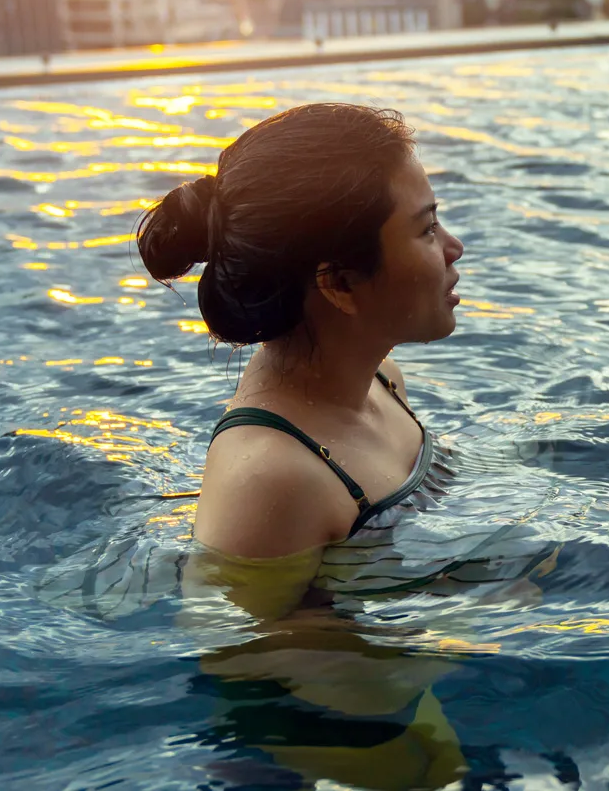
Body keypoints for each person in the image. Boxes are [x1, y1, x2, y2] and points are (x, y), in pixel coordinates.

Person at [137, 102, 475, 788]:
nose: (454, 247)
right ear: (338, 283)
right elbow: (243, 660)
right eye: (426, 227)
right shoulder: (275, 475)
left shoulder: (382, 379)